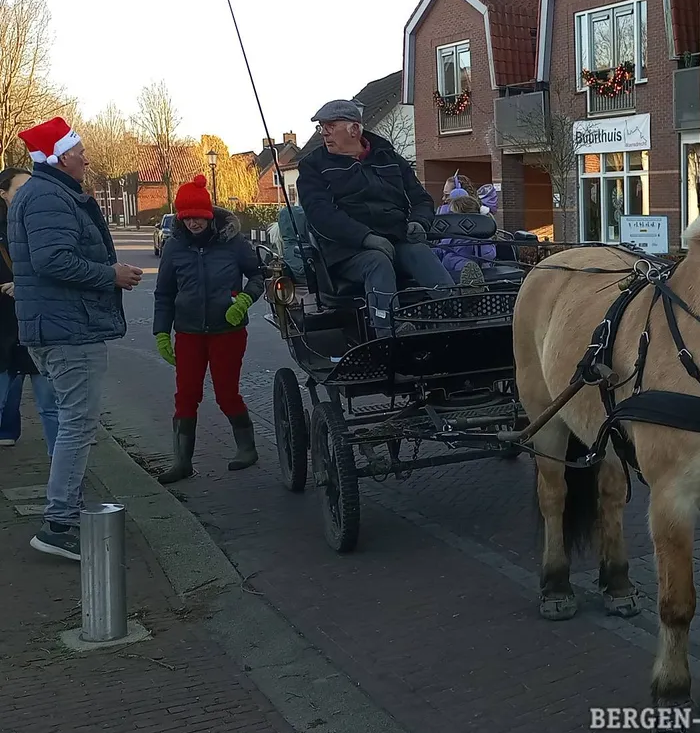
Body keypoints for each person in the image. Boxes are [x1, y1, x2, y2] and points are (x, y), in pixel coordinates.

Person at [8, 117, 144, 561]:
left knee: (70, 420)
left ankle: (64, 512)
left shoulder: (39, 193)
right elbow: (53, 260)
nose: (86, 156)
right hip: (68, 328)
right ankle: (60, 523)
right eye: (80, 149)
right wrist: (112, 274)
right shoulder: (50, 196)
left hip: (53, 324)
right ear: (62, 156)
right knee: (77, 424)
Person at [295, 99, 455, 335]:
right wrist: (365, 238)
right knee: (376, 262)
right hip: (346, 251)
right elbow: (321, 214)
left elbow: (421, 199)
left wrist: (419, 222)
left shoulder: (389, 158)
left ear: (355, 129)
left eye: (330, 125)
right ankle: (389, 330)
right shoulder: (313, 166)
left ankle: (457, 309)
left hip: (396, 240)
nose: (324, 132)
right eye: (321, 127)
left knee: (420, 252)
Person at [152, 175, 264, 483]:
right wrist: (161, 332)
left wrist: (244, 299)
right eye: (186, 218)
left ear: (208, 215)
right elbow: (164, 294)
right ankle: (182, 462)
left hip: (227, 330)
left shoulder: (233, 243)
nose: (193, 224)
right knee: (186, 395)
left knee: (226, 393)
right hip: (188, 332)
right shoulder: (174, 248)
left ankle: (247, 448)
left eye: (198, 217)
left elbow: (257, 277)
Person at [0, 168, 58, 450]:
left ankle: (64, 474)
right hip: (3, 329)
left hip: (36, 328)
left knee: (50, 406)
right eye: (20, 189)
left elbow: (56, 271)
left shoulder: (40, 226)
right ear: (4, 193)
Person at [433, 187, 490, 287]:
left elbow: (487, 255)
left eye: (453, 214)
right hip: (448, 265)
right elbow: (442, 249)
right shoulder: (451, 233)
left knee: (464, 264)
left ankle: (472, 279)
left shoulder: (480, 235)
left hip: (463, 267)